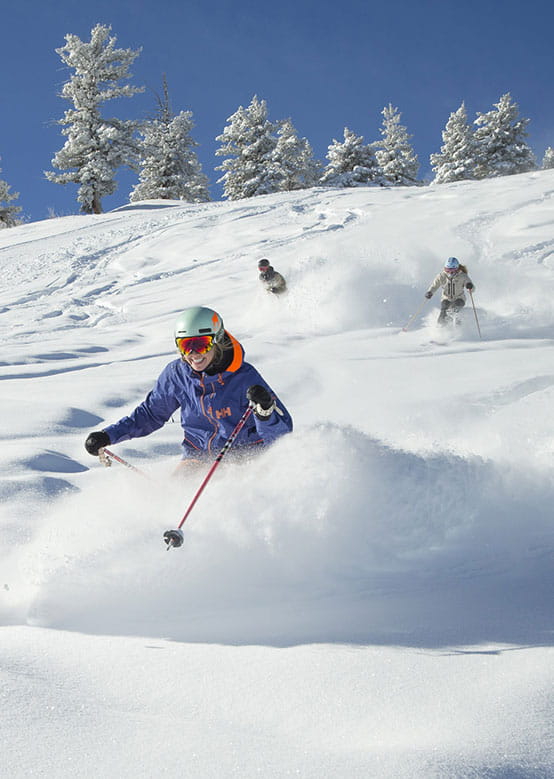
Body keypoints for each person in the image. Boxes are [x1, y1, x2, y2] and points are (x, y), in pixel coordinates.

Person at [85, 306, 293, 463]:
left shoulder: (244, 377)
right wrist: (108, 436)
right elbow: (150, 415)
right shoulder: (177, 375)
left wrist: (264, 413)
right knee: (174, 499)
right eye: (186, 346)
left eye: (201, 344)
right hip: (199, 456)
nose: (193, 354)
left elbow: (282, 434)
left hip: (247, 458)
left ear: (217, 340)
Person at [425, 257, 475, 325]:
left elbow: (472, 288)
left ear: (457, 269)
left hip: (459, 298)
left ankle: (458, 325)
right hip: (446, 298)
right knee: (444, 310)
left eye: (452, 270)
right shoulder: (441, 276)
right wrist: (430, 292)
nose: (450, 273)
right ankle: (441, 325)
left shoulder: (463, 276)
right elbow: (434, 286)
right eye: (447, 270)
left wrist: (470, 286)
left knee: (454, 309)